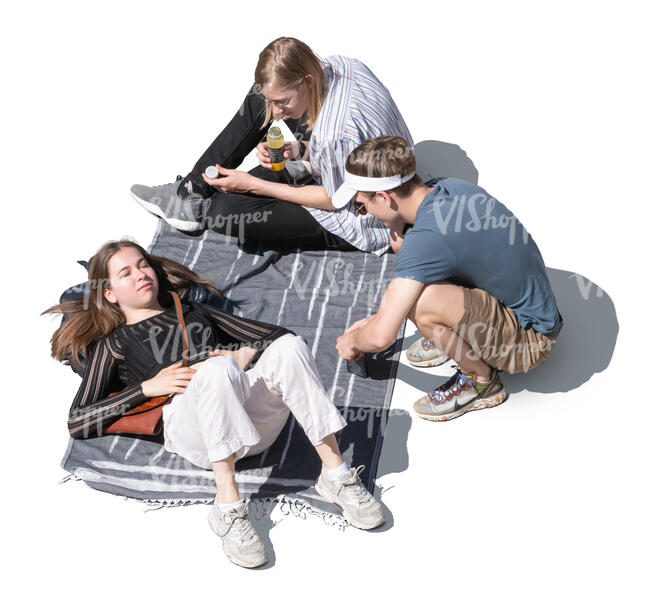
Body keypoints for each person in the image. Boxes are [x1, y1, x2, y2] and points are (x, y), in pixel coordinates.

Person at [45, 239, 384, 568]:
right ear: (110, 294)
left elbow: (277, 335)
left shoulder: (191, 311)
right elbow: (78, 421)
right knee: (215, 368)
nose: (140, 274)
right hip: (195, 433)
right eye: (126, 273)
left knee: (290, 347)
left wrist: (246, 352)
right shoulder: (114, 343)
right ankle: (228, 508)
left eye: (143, 264)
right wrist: (147, 388)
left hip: (250, 422)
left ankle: (336, 474)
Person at [333, 137, 563, 422]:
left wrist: (353, 341)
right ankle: (457, 333)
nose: (364, 215)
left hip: (529, 343)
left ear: (384, 197)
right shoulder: (448, 187)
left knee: (420, 304)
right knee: (404, 253)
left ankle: (481, 381)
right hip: (533, 310)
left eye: (361, 206)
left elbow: (382, 337)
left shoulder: (425, 241)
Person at [131, 37, 412, 254]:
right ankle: (194, 189)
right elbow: (355, 144)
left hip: (362, 216)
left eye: (283, 102)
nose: (277, 113)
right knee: (259, 96)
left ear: (308, 80)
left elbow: (334, 198)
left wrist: (252, 185)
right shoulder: (344, 65)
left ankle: (196, 197)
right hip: (364, 164)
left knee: (222, 212)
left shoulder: (334, 134)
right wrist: (301, 149)